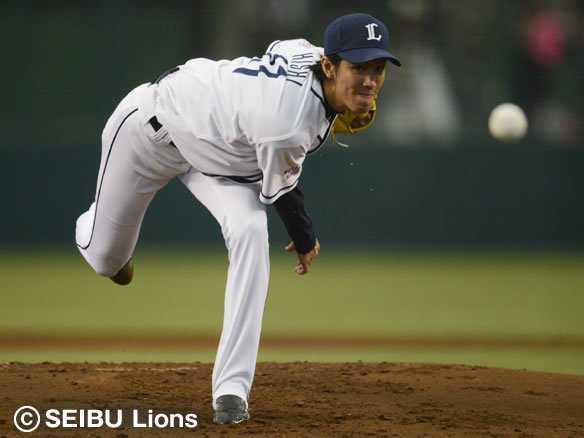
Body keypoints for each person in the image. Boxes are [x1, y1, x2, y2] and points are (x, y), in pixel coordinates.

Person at [75, 12, 400, 424]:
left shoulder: (306, 54)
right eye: (359, 68)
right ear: (329, 66)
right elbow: (283, 193)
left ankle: (231, 390)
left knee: (250, 231)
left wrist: (337, 101)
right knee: (105, 259)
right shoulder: (286, 125)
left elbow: (281, 48)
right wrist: (305, 239)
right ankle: (95, 225)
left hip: (219, 158)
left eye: (377, 69)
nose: (370, 80)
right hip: (147, 132)